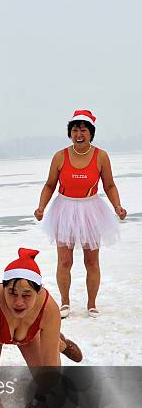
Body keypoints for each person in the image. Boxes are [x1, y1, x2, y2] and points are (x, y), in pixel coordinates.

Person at [34, 110, 127, 318]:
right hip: (64, 209)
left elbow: (110, 185)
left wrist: (117, 207)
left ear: (91, 133)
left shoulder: (101, 156)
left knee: (91, 261)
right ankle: (65, 303)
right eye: (75, 130)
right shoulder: (60, 156)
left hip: (91, 210)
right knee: (64, 261)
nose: (79, 134)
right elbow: (49, 185)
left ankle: (91, 304)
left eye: (83, 130)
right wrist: (41, 207)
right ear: (70, 133)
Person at [0, 248, 82, 372]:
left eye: (26, 295)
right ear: (3, 288)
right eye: (12, 292)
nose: (19, 303)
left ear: (39, 292)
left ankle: (58, 342)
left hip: (30, 332)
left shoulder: (48, 307)